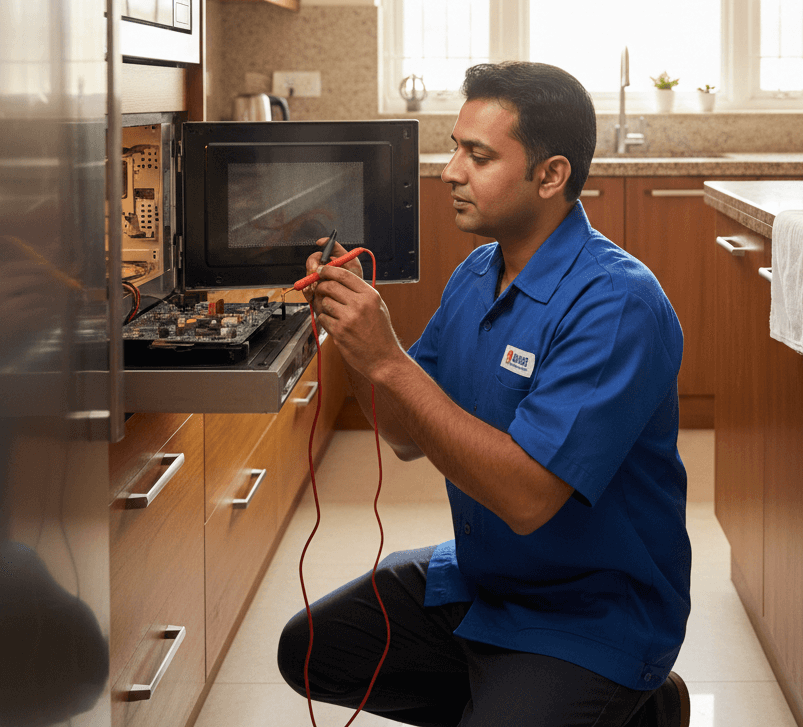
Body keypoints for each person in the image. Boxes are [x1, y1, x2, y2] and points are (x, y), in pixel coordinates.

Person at [278, 61, 691, 727]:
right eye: (454, 147)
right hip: (484, 580)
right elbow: (405, 435)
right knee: (309, 650)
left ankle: (633, 699)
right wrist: (359, 346)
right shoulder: (480, 272)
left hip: (589, 614)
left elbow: (528, 498)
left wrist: (389, 358)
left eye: (478, 155)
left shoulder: (617, 305)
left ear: (550, 175)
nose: (449, 171)